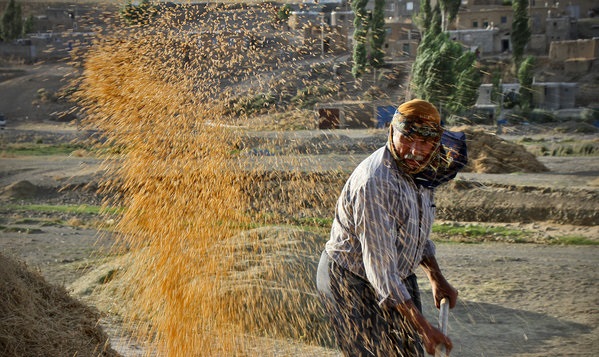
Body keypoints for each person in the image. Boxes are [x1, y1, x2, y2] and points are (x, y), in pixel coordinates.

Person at [316, 99, 459, 356]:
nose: (414, 150)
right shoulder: (374, 183)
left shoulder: (422, 173)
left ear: (435, 144)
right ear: (391, 132)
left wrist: (437, 277)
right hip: (351, 280)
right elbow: (381, 272)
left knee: (407, 352)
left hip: (394, 276)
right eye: (407, 138)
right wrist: (425, 327)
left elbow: (416, 235)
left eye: (424, 143)